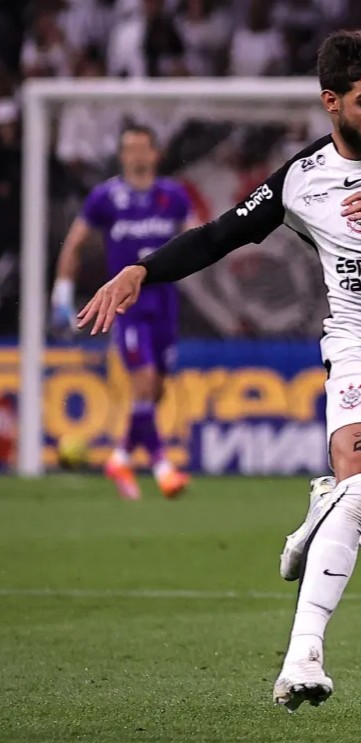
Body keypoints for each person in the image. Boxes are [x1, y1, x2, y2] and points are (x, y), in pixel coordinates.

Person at [77, 30, 361, 710]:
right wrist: (142, 271)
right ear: (330, 102)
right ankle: (303, 655)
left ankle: (326, 510)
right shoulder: (303, 178)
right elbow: (222, 235)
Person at [53, 124, 194, 500]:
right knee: (144, 381)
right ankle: (163, 467)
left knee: (157, 389)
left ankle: (119, 457)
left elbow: (197, 238)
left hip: (165, 302)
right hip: (127, 305)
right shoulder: (105, 198)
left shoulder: (173, 196)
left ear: (155, 154)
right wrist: (63, 292)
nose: (135, 155)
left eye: (141, 148)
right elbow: (76, 244)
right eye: (128, 148)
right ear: (122, 155)